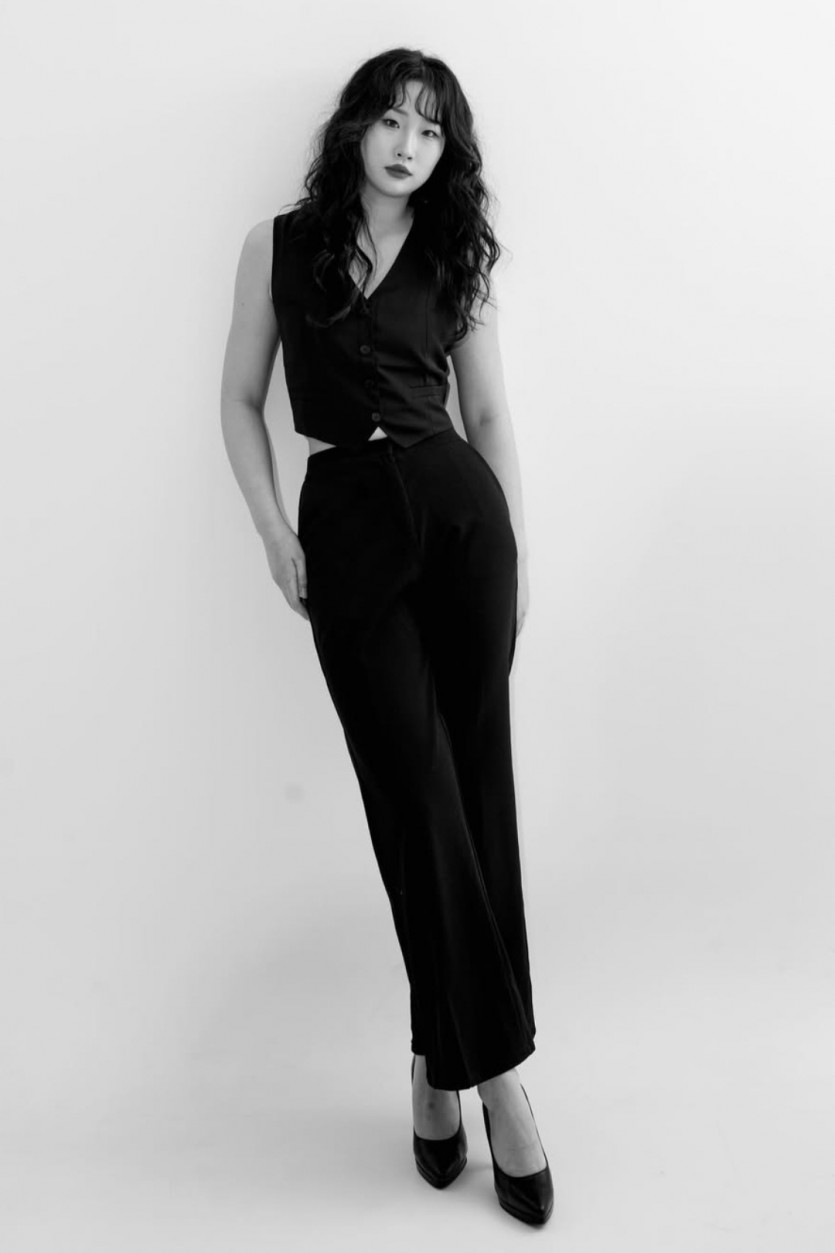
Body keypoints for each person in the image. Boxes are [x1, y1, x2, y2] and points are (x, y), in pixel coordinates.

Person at [220, 47, 554, 1226]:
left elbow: (490, 411)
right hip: (348, 530)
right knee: (412, 797)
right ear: (355, 127)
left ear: (445, 150)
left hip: (463, 524)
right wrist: (273, 530)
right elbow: (238, 398)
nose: (408, 144)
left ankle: (434, 1060)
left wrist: (519, 552)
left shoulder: (458, 252)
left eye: (430, 128)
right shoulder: (277, 244)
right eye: (392, 121)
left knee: (474, 791)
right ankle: (501, 1079)